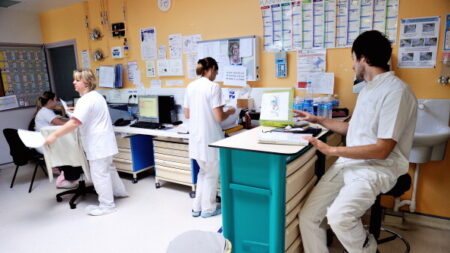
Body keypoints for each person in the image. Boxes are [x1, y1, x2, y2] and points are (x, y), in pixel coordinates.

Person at [296, 30, 417, 253]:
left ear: (363, 58)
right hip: (348, 163)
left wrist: (332, 149)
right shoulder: (367, 90)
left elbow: (382, 150)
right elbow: (353, 129)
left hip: (377, 168)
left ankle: (369, 248)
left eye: (353, 59)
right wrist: (318, 119)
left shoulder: (397, 92)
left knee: (339, 217)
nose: (352, 66)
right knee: (308, 218)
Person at [44, 69, 128, 216]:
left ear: (87, 83)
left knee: (99, 174)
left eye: (77, 80)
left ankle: (107, 205)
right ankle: (120, 192)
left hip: (97, 144)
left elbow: (74, 123)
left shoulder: (85, 100)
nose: (73, 82)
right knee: (109, 169)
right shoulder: (96, 96)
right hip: (106, 142)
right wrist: (77, 109)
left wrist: (55, 135)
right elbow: (91, 111)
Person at [183, 57, 236, 218]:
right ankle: (208, 209)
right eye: (216, 71)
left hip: (196, 138)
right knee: (212, 173)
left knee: (203, 172)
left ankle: (196, 207)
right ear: (212, 68)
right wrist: (231, 111)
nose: (216, 75)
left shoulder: (191, 86)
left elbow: (187, 114)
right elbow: (219, 117)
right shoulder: (213, 87)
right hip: (210, 137)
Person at [34, 91, 80, 189]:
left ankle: (68, 172)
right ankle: (64, 178)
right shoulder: (45, 112)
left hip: (46, 141)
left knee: (71, 146)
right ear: (50, 101)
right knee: (72, 149)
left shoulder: (45, 111)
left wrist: (68, 121)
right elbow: (58, 122)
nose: (56, 102)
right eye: (55, 100)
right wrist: (73, 122)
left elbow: (58, 122)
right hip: (45, 145)